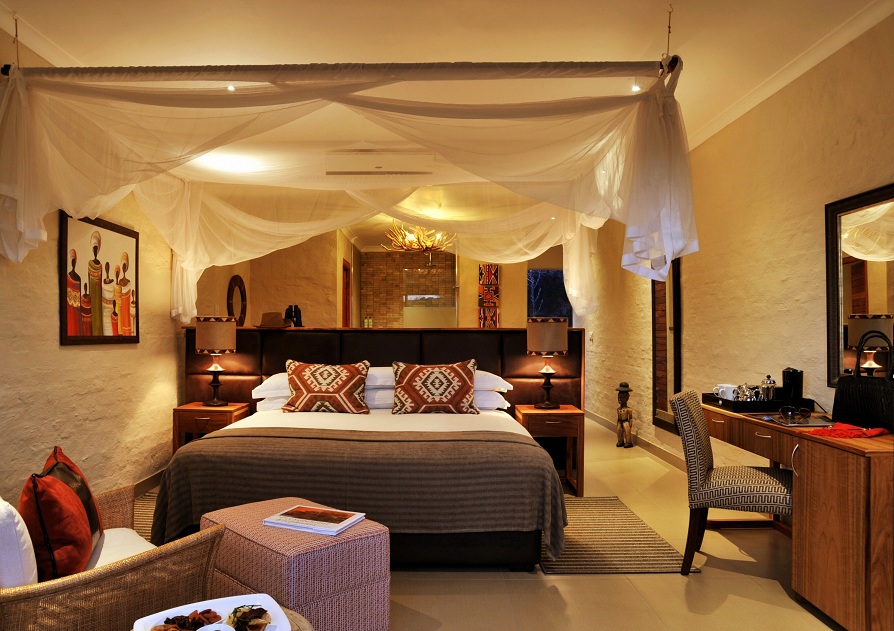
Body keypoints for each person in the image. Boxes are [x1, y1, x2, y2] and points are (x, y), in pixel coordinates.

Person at [616, 382, 634, 448]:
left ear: (627, 398)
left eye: (623, 397)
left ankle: (628, 442)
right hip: (620, 421)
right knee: (619, 431)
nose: (620, 399)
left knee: (627, 432)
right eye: (619, 397)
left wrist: (630, 424)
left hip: (625, 422)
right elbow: (618, 417)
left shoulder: (628, 409)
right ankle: (620, 441)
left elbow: (631, 418)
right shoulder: (618, 409)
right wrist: (617, 423)